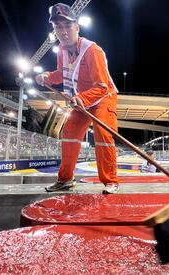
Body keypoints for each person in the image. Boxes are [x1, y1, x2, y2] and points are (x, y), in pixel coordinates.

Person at [36, 3, 119, 194]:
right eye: (58, 27)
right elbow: (62, 74)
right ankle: (65, 180)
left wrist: (82, 97)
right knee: (70, 132)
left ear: (77, 28)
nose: (63, 32)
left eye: (67, 26)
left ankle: (110, 180)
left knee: (103, 134)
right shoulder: (63, 51)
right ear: (54, 30)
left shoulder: (92, 51)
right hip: (81, 100)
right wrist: (47, 76)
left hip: (103, 97)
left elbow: (101, 86)